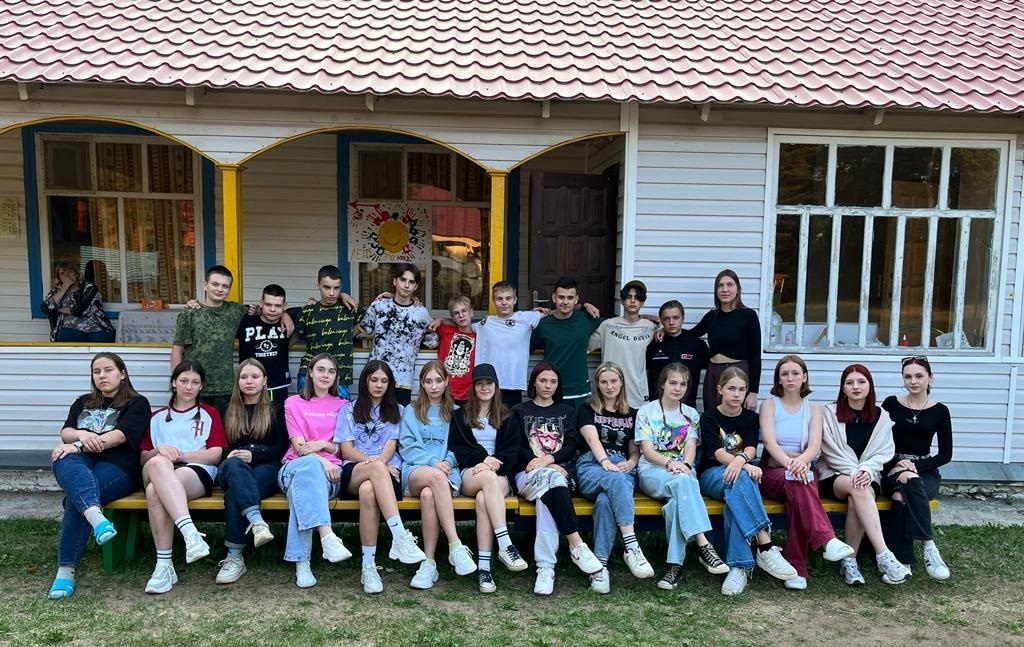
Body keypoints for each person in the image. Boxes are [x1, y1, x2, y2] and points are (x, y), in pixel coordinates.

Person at [47, 352, 151, 599]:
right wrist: (80, 436)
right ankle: (96, 517)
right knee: (62, 457)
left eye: (108, 370)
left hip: (118, 467)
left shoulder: (137, 403)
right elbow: (66, 432)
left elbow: (120, 436)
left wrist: (77, 445)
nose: (102, 375)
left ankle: (65, 571)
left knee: (76, 499)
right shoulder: (83, 401)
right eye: (96, 372)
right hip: (81, 462)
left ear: (122, 374)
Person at [758, 355, 855, 590]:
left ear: (804, 377)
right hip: (773, 471)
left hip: (803, 470)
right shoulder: (769, 405)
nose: (790, 378)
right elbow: (770, 444)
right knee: (799, 482)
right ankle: (826, 540)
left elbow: (814, 446)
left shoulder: (813, 409)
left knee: (798, 492)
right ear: (778, 379)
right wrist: (793, 463)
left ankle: (795, 570)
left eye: (795, 373)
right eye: (784, 374)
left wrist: (800, 462)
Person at [698, 367, 797, 596]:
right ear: (720, 389)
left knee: (736, 497)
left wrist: (741, 461)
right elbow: (717, 453)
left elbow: (751, 447)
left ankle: (739, 568)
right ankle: (765, 544)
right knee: (742, 479)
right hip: (713, 475)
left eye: (742, 389)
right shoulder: (709, 417)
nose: (737, 394)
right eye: (731, 388)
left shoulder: (751, 417)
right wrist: (741, 464)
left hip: (740, 476)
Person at [335, 359, 427, 594]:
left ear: (390, 384)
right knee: (374, 472)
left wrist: (380, 465)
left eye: (384, 381)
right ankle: (399, 536)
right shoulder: (348, 409)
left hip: (387, 473)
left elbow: (391, 446)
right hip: (355, 470)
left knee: (369, 491)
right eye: (374, 380)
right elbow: (346, 450)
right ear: (365, 381)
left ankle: (368, 567)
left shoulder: (398, 410)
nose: (379, 385)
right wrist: (375, 464)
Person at [510, 362, 603, 595]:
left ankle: (545, 568)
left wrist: (548, 460)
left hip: (559, 475)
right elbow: (517, 447)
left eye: (553, 381)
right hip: (527, 474)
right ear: (534, 382)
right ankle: (576, 544)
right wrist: (543, 464)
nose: (548, 386)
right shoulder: (519, 411)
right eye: (543, 380)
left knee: (547, 495)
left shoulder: (568, 412)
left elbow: (570, 447)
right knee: (552, 481)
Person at [635, 363, 727, 590]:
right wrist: (670, 463)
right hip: (653, 471)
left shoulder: (691, 414)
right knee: (685, 483)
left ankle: (674, 568)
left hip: (683, 472)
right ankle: (704, 544)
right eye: (673, 383)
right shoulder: (646, 411)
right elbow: (647, 451)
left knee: (675, 505)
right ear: (662, 384)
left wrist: (684, 464)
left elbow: (691, 447)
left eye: (683, 384)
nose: (677, 388)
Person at [139, 360, 228, 594]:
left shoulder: (210, 414)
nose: (189, 387)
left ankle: (164, 566)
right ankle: (190, 533)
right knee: (158, 462)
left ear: (201, 386)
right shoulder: (157, 417)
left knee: (154, 491)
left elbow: (215, 454)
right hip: (156, 468)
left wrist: (180, 455)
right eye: (184, 381)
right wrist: (160, 450)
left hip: (195, 470)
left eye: (195, 382)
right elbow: (143, 458)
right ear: (173, 383)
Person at [820, 363, 911, 586]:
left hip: (868, 476)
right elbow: (829, 450)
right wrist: (855, 472)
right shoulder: (829, 413)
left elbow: (884, 451)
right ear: (843, 388)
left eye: (861, 381)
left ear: (870, 386)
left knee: (858, 495)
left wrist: (866, 470)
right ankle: (884, 554)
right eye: (849, 383)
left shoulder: (882, 417)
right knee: (858, 487)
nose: (856, 387)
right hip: (834, 474)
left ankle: (849, 562)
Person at [448, 363, 529, 593]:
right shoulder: (460, 415)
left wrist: (493, 462)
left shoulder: (508, 415)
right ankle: (505, 544)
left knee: (485, 498)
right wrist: (483, 460)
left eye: (489, 383)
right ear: (473, 387)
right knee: (486, 479)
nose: (484, 388)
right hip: (471, 473)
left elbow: (513, 450)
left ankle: (484, 569)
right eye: (480, 384)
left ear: (496, 386)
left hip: (500, 473)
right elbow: (458, 448)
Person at [575, 362, 654, 594]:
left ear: (621, 383)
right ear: (597, 385)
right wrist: (605, 462)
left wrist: (631, 463)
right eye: (604, 382)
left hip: (621, 466)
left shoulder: (633, 414)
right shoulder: (587, 409)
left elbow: (634, 450)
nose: (609, 386)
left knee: (604, 502)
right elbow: (592, 439)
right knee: (616, 480)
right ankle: (631, 545)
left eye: (613, 381)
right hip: (592, 465)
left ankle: (600, 568)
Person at [398, 361, 477, 588]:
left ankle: (429, 563)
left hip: (447, 471)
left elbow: (460, 446)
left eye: (438, 381)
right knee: (435, 478)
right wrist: (434, 462)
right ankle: (455, 545)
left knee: (428, 495)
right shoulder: (411, 410)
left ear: (446, 382)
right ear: (422, 384)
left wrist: (448, 461)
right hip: (416, 470)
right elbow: (407, 446)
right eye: (428, 381)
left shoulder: (456, 412)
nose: (434, 386)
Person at [278, 353, 353, 589]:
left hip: (330, 476)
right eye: (320, 369)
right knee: (308, 468)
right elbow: (300, 448)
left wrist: (322, 445)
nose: (325, 375)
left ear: (336, 376)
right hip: (294, 467)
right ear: (310, 372)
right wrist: (323, 461)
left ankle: (302, 562)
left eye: (331, 371)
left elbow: (343, 449)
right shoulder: (292, 403)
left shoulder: (343, 406)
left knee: (301, 489)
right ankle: (327, 536)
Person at [214, 359, 289, 585]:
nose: (249, 381)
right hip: (231, 468)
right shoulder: (226, 410)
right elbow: (220, 448)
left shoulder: (276, 409)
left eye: (255, 377)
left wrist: (254, 454)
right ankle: (257, 521)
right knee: (234, 466)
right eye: (244, 377)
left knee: (234, 494)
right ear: (237, 381)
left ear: (265, 380)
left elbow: (281, 448)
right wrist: (234, 454)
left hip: (265, 469)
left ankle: (234, 556)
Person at [880, 356, 952, 579]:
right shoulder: (891, 404)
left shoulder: (940, 411)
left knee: (901, 496)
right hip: (892, 468)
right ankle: (929, 545)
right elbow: (878, 440)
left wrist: (915, 467)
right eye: (908, 377)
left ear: (930, 378)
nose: (913, 381)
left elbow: (945, 454)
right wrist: (895, 464)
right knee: (907, 482)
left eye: (919, 376)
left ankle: (902, 559)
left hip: (925, 471)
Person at [171, 266, 248, 417]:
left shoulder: (236, 311)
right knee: (194, 427)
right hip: (195, 387)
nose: (220, 289)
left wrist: (285, 316)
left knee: (224, 429)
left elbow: (262, 311)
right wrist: (177, 383)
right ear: (205, 285)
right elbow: (177, 351)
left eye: (225, 286)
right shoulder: (190, 313)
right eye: (215, 284)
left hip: (225, 388)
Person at [359, 264, 439, 405]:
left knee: (397, 417)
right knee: (370, 416)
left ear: (416, 286)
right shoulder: (379, 306)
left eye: (411, 282)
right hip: (376, 377)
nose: (406, 285)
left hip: (403, 380)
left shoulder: (421, 313)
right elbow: (363, 327)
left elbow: (432, 341)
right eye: (402, 280)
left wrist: (442, 320)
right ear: (395, 281)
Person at [688, 269, 762, 411]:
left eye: (730, 285)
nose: (725, 289)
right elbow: (690, 335)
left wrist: (753, 392)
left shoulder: (748, 315)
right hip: (713, 373)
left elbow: (755, 356)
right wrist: (663, 329)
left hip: (738, 373)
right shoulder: (712, 316)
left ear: (738, 289)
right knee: (712, 416)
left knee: (735, 418)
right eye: (720, 285)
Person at [531, 276, 604, 409]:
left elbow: (617, 326)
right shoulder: (542, 324)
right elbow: (524, 346)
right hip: (550, 389)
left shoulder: (587, 319)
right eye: (561, 297)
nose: (565, 302)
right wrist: (529, 315)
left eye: (570, 298)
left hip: (578, 389)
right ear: (554, 298)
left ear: (576, 299)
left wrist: (646, 319)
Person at [473, 281, 547, 408]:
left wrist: (583, 307)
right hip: (490, 384)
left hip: (513, 384)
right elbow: (463, 326)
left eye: (508, 298)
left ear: (515, 300)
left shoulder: (527, 318)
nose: (504, 303)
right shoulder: (486, 323)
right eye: (499, 299)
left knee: (511, 418)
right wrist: (443, 320)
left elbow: (555, 313)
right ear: (493, 301)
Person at [294, 265, 361, 398]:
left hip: (340, 376)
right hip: (310, 374)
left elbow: (378, 315)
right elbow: (293, 335)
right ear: (318, 285)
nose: (331, 293)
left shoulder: (350, 308)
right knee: (307, 410)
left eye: (336, 288)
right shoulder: (307, 311)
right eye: (326, 287)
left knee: (340, 412)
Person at [588, 280, 657, 408]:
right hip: (610, 392)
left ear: (643, 302)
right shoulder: (607, 326)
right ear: (621, 301)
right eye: (629, 297)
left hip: (637, 393)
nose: (633, 301)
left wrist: (660, 324)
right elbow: (583, 346)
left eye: (637, 298)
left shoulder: (651, 328)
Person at [236, 284, 291, 417]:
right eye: (268, 304)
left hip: (278, 385)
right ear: (261, 303)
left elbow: (305, 311)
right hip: (249, 384)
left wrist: (286, 314)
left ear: (284, 306)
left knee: (277, 422)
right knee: (249, 421)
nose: (272, 309)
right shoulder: (245, 320)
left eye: (278, 306)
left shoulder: (288, 322)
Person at [646, 300, 709, 409]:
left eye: (675, 318)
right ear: (661, 320)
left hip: (686, 408)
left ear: (682, 318)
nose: (671, 322)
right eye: (666, 319)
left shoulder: (696, 345)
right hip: (656, 408)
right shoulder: (653, 343)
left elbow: (714, 366)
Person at [41, 260, 115, 342]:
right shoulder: (56, 291)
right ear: (59, 278)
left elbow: (79, 310)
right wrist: (63, 289)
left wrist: (56, 308)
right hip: (69, 329)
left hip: (96, 328)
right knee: (67, 336)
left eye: (70, 272)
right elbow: (45, 308)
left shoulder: (89, 287)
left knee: (104, 339)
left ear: (77, 274)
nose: (67, 275)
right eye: (62, 273)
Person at [436, 295, 477, 405]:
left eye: (464, 311)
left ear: (471, 312)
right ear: (452, 317)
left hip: (470, 394)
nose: (461, 315)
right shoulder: (445, 329)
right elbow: (423, 321)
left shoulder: (479, 334)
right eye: (456, 313)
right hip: (445, 391)